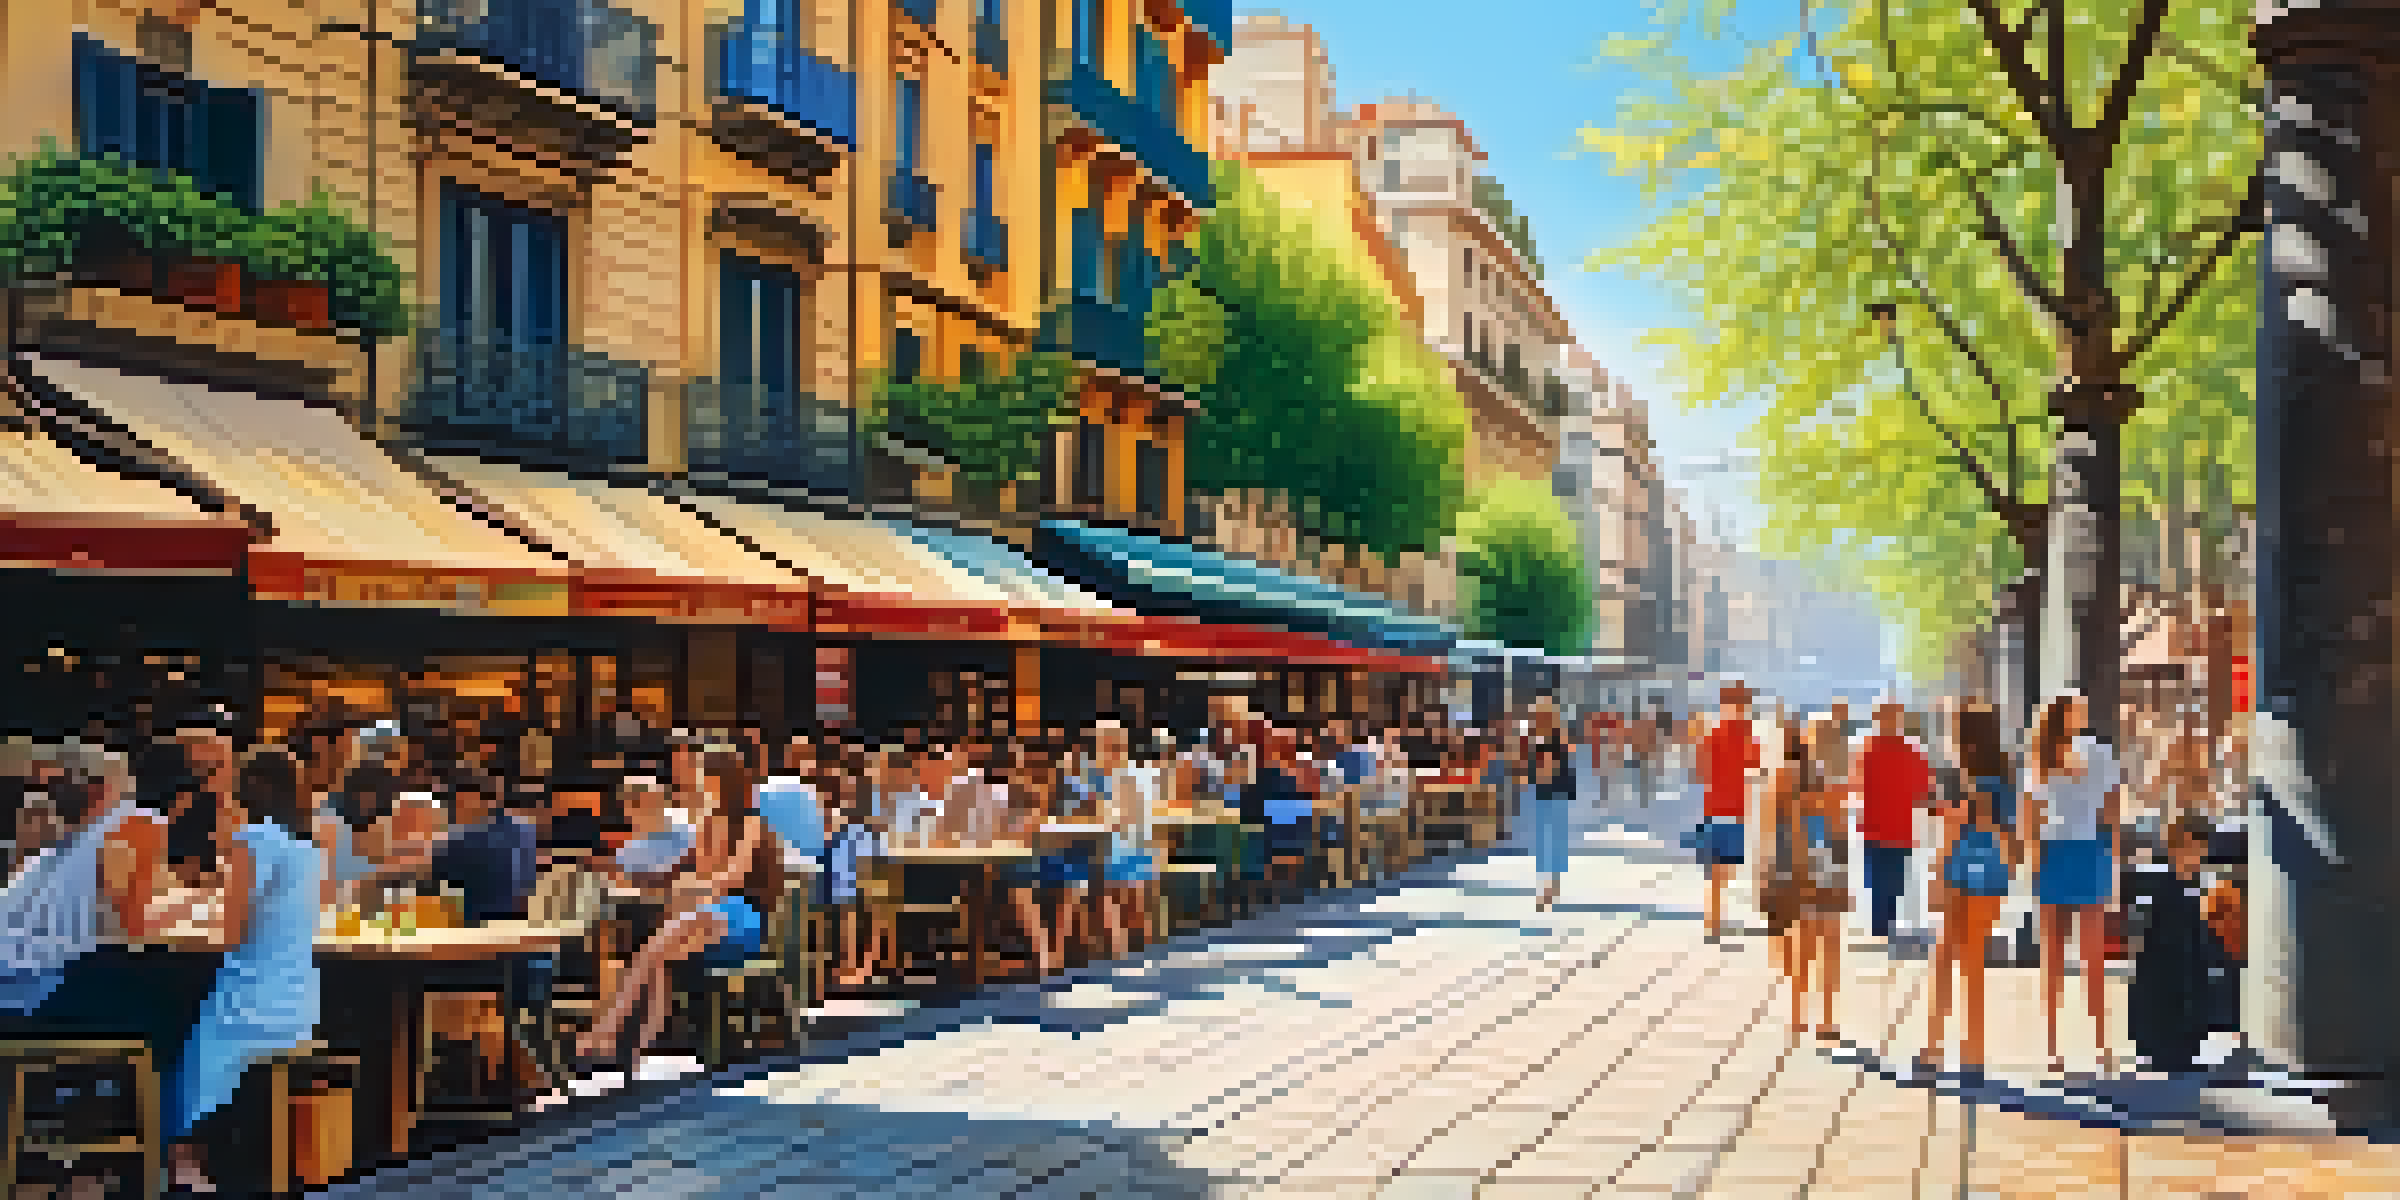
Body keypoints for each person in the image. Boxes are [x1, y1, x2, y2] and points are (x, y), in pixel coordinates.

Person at [167, 747, 323, 1195]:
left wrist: (197, 909)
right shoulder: (307, 850)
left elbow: (231, 929)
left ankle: (183, 1162)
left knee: (187, 1038)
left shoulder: (252, 840)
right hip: (297, 1003)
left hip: (251, 1001)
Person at [574, 751, 767, 1070]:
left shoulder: (748, 821)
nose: (696, 783)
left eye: (705, 777)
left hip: (734, 916)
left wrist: (690, 886)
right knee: (655, 957)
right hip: (701, 914)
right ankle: (634, 1049)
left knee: (653, 949)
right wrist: (682, 885)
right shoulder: (703, 822)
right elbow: (687, 872)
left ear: (722, 781)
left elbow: (734, 876)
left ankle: (604, 1033)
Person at [2024, 691, 2124, 1075]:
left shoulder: (2099, 753)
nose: (2080, 715)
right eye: (2073, 710)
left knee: (2092, 957)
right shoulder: (2040, 758)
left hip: (2088, 854)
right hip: (2053, 855)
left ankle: (2101, 1044)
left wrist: (2113, 864)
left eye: (2081, 709)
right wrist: (2033, 860)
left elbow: (2112, 812)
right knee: (2052, 956)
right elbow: (2032, 814)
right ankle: (2052, 1045)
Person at [1921, 702, 2017, 1081]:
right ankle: (1956, 1051)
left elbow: (2006, 835)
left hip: (1973, 874)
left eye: (1953, 731)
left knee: (1957, 959)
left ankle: (1950, 1051)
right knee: (1958, 960)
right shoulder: (1984, 778)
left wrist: (1975, 820)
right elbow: (2004, 834)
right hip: (1976, 874)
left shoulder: (1981, 781)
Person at [2125, 815, 2221, 1076]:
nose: (2198, 856)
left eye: (2201, 850)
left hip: (2187, 979)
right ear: (2176, 849)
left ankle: (2183, 1049)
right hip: (2164, 979)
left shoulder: (2196, 887)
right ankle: (2164, 1050)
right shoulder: (2161, 887)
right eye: (2192, 848)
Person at [1855, 701, 1933, 943]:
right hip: (1898, 827)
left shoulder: (1866, 749)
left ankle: (1881, 926)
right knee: (1892, 880)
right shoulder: (1911, 751)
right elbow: (1923, 791)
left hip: (1876, 826)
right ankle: (1885, 924)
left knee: (1878, 880)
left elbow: (1856, 786)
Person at [1697, 683, 1760, 942]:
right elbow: (1702, 769)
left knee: (1724, 871)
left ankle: (1714, 919)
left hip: (1731, 812)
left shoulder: (1742, 735)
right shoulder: (1719, 734)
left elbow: (1755, 767)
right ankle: (1712, 922)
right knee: (1718, 871)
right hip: (1721, 811)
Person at [1526, 698, 1574, 911]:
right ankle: (1547, 886)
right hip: (1543, 793)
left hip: (1556, 793)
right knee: (1545, 842)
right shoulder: (1536, 738)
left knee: (1553, 840)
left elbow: (1556, 766)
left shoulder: (1558, 737)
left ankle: (1551, 886)